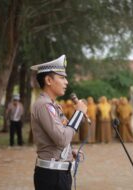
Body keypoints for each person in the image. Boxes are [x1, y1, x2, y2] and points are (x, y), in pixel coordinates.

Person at [30, 55, 87, 190]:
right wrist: (78, 113)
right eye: (62, 77)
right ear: (49, 80)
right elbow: (61, 139)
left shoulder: (53, 105)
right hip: (52, 176)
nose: (66, 82)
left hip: (59, 173)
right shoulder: (44, 105)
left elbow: (61, 136)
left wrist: (69, 151)